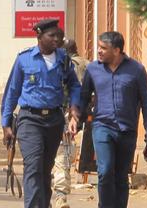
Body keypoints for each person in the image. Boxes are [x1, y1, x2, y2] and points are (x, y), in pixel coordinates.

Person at [1, 19, 81, 208]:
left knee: (45, 169)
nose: (57, 39)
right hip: (30, 119)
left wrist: (74, 108)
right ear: (39, 36)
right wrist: (5, 124)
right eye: (51, 35)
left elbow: (75, 85)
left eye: (59, 35)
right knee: (33, 166)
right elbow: (12, 91)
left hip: (54, 120)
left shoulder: (64, 59)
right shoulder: (24, 58)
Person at [78, 32, 147, 208]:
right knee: (105, 171)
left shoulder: (136, 70)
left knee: (121, 176)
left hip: (127, 130)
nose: (98, 51)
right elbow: (83, 98)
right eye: (98, 47)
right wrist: (75, 118)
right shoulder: (93, 69)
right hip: (101, 126)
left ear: (116, 50)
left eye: (103, 48)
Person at [51, 38, 89, 208]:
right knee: (63, 157)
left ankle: (57, 196)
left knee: (60, 156)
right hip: (76, 116)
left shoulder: (62, 65)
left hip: (62, 116)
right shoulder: (88, 64)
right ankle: (58, 196)